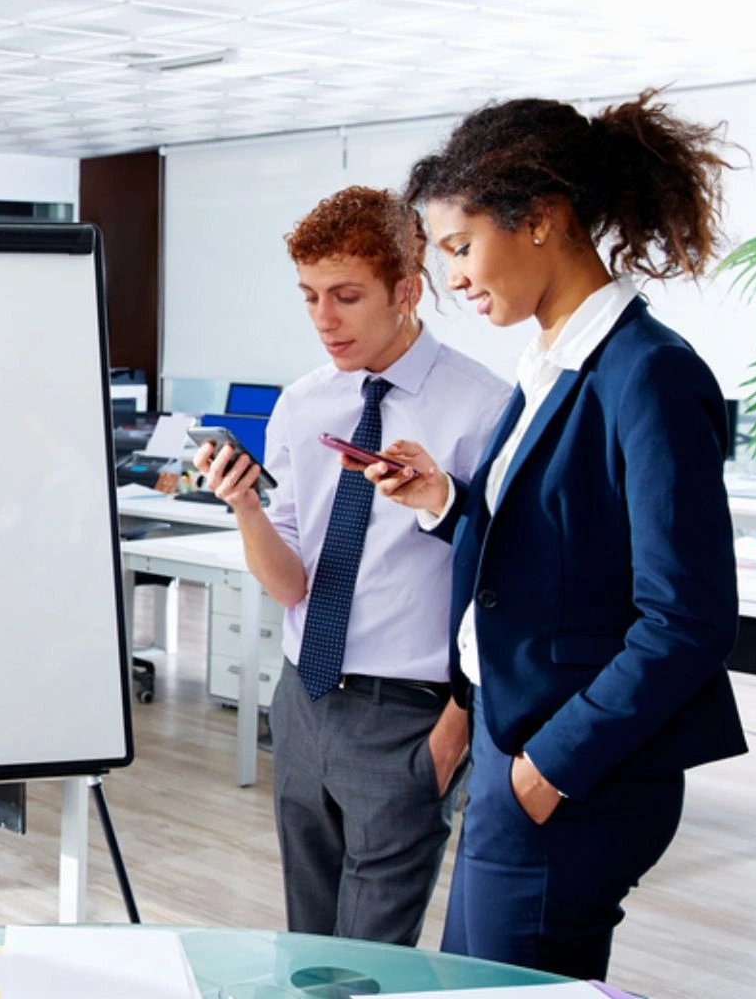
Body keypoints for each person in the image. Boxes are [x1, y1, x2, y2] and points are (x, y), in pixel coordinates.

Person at [365, 90, 748, 979]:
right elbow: (561, 552)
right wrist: (447, 503)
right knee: (477, 984)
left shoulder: (647, 376)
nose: (453, 278)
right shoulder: (550, 363)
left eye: (461, 247)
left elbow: (686, 620)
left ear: (538, 219)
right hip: (515, 740)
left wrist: (547, 768)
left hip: (571, 764)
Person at [193, 186, 510, 946]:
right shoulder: (302, 405)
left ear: (407, 290)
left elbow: (510, 585)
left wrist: (452, 736)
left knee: (367, 963)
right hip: (304, 699)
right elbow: (291, 582)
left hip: (409, 716)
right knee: (308, 947)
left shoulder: (486, 408)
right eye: (308, 298)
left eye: (345, 296)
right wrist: (246, 510)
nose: (323, 320)